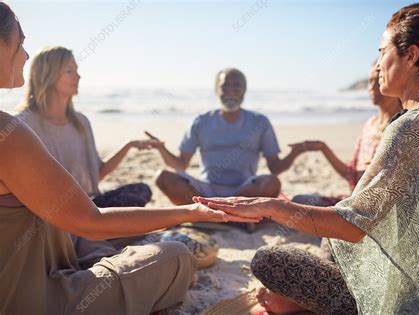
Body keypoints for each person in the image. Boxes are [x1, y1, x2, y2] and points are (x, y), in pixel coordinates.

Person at [195, 2, 419, 313]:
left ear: (410, 55)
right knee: (330, 243)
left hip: (412, 301)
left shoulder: (412, 127)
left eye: (383, 52)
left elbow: (352, 226)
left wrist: (271, 206)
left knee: (268, 260)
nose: (379, 64)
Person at [0, 3, 259, 314]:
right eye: (21, 42)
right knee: (176, 257)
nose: (25, 56)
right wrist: (193, 211)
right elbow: (90, 222)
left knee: (111, 228)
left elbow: (88, 196)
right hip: (32, 299)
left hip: (54, 244)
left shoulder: (74, 122)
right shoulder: (12, 131)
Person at [18, 46, 154, 208]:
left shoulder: (81, 122)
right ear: (48, 75)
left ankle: (95, 230)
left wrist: (129, 145)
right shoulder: (24, 124)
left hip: (88, 207)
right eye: (69, 71)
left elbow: (97, 174)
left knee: (140, 191)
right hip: (52, 212)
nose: (78, 76)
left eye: (76, 70)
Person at [153, 68, 307, 205]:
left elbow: (275, 168)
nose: (230, 91)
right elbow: (181, 165)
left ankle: (221, 212)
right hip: (206, 190)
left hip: (245, 190)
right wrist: (161, 149)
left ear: (244, 91)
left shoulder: (260, 122)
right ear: (216, 90)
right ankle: (216, 212)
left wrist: (295, 153)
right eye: (224, 86)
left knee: (271, 182)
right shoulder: (201, 121)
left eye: (236, 86)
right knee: (163, 178)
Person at [291, 64, 402, 207]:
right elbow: (351, 174)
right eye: (369, 81)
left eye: (378, 81)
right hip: (353, 202)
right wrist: (323, 148)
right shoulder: (370, 124)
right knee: (298, 201)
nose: (371, 87)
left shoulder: (401, 127)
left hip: (375, 210)